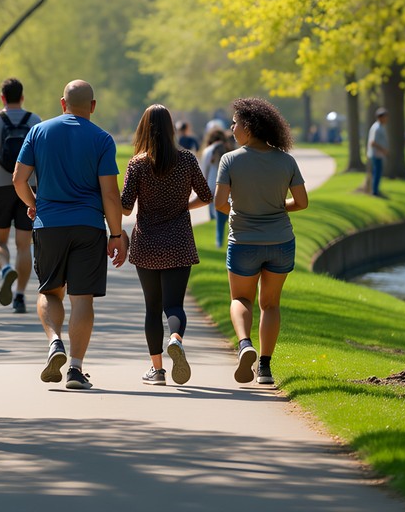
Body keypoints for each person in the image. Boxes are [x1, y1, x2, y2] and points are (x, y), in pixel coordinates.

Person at [13, 79, 127, 390]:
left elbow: (18, 180)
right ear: (93, 106)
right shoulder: (102, 139)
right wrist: (116, 234)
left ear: (62, 104)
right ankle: (75, 370)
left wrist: (34, 205)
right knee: (82, 298)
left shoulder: (38, 131)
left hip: (49, 224)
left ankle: (54, 342)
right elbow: (110, 195)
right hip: (89, 226)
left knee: (50, 292)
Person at [215, 98, 308, 386]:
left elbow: (219, 204)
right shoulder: (286, 160)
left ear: (249, 127)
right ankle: (265, 368)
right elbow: (302, 202)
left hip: (244, 241)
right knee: (271, 305)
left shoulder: (230, 160)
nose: (231, 128)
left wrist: (243, 210)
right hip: (281, 241)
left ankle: (245, 345)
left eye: (235, 122)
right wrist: (277, 208)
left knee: (241, 299)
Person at [121, 105, 212, 385]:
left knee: (152, 308)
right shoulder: (186, 160)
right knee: (174, 305)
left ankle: (157, 370)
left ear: (144, 128)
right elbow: (206, 195)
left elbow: (125, 208)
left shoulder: (137, 164)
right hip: (179, 241)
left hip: (147, 241)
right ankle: (176, 339)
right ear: (171, 128)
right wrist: (183, 205)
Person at [0, 77, 42, 314]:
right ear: (22, 97)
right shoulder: (35, 120)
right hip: (29, 186)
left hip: (1, 185)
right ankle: (20, 296)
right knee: (24, 245)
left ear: (2, 97)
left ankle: (5, 268)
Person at [200, 127, 232, 248]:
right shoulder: (229, 149)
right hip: (228, 187)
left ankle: (219, 242)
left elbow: (204, 171)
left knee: (215, 218)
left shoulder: (208, 151)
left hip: (212, 185)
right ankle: (228, 242)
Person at [367, 107, 389, 197]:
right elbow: (373, 142)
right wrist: (383, 150)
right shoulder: (377, 128)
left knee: (378, 172)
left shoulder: (381, 127)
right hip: (376, 154)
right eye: (385, 117)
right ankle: (375, 191)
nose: (386, 119)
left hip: (379, 154)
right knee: (377, 172)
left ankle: (375, 190)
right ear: (380, 117)